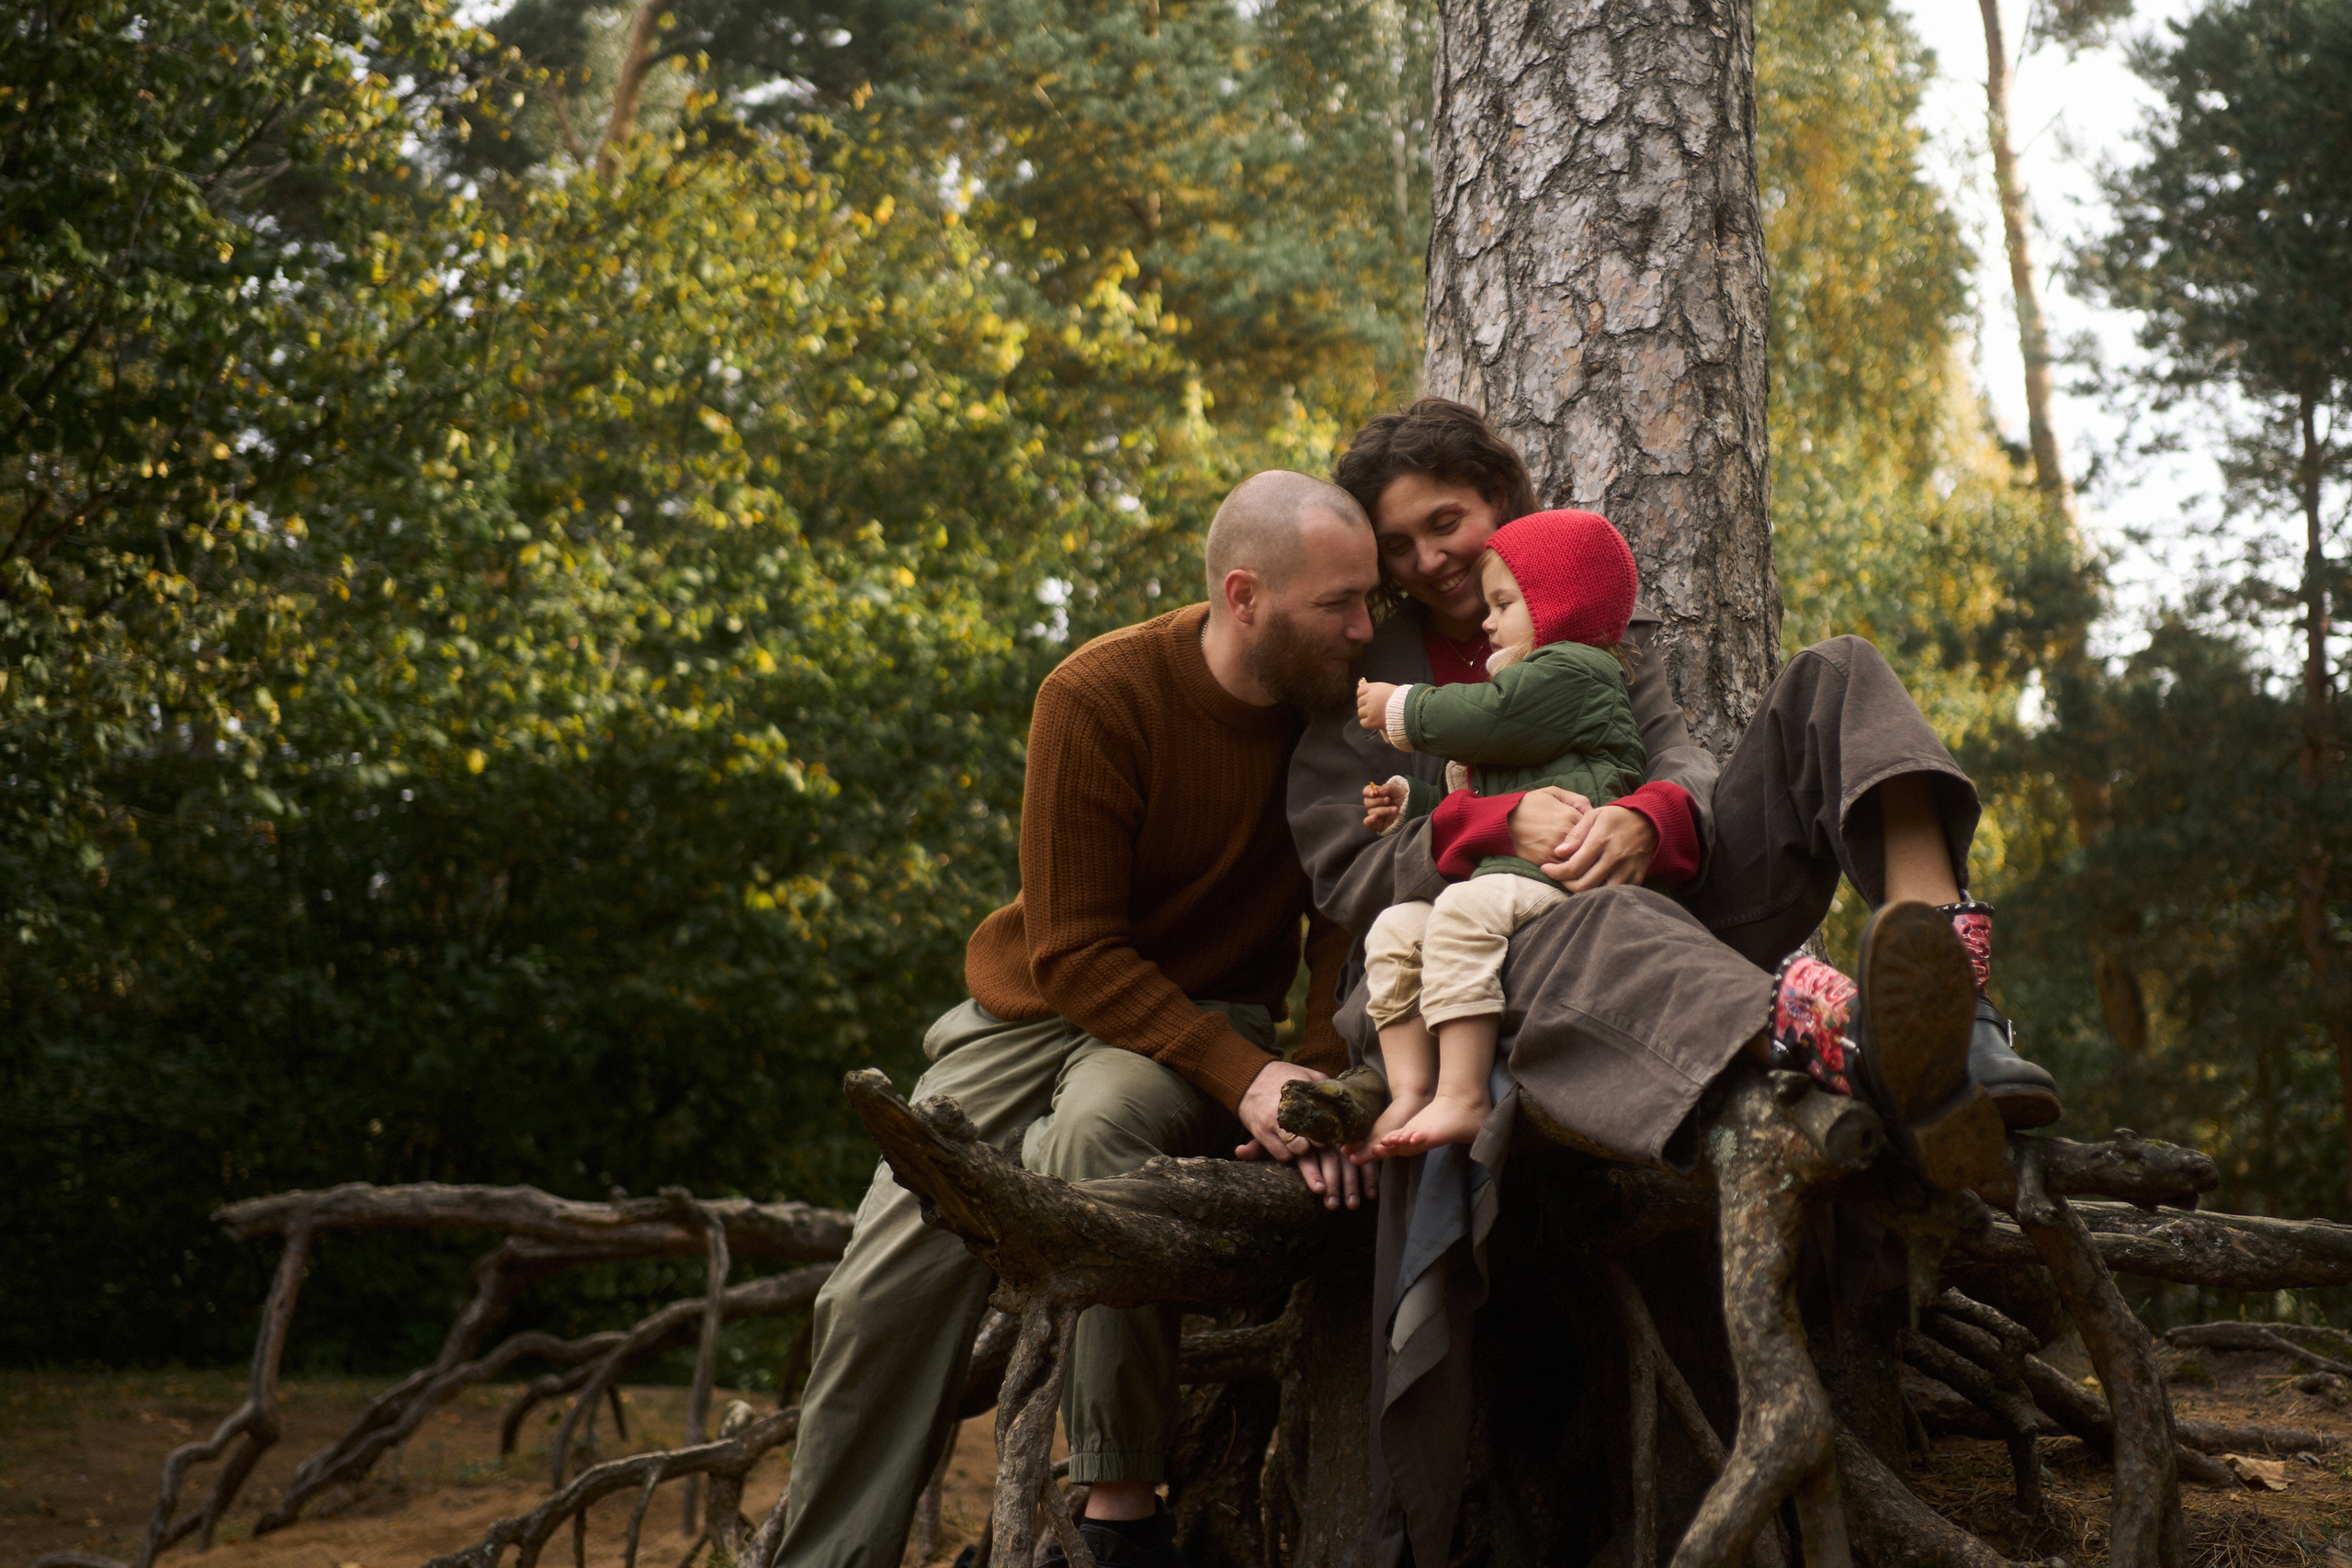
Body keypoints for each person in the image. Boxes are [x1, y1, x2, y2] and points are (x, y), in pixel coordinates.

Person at [1287, 398, 2064, 1566]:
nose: (1426, 560)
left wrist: (1652, 819)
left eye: (1444, 523)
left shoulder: (1579, 631)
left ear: (1501, 504)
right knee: (1588, 927)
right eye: (1396, 547)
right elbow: (1349, 870)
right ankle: (1845, 1041)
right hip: (1470, 962)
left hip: (1657, 901)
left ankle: (1957, 1003)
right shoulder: (1376, 674)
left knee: (1837, 676)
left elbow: (1683, 759)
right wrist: (1498, 822)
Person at [777, 470, 1382, 1568]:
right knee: (874, 1299)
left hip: (1206, 1009)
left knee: (1096, 1137)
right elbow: (1072, 952)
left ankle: (1121, 1513)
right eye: (1337, 604)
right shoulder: (1099, 694)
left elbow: (1346, 924)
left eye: (1369, 599)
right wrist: (1241, 1076)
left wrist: (1320, 1085)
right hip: (1033, 1011)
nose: (1364, 626)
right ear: (1244, 597)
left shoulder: (1351, 717)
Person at [1350, 509, 1650, 1155]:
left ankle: (1463, 1096)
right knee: (1396, 929)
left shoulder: (1573, 670)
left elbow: (1488, 718)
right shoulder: (1534, 686)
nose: (1486, 621)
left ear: (1556, 605)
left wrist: (1398, 706)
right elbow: (1486, 790)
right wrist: (1412, 801)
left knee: (1458, 910)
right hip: (1511, 876)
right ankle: (1409, 1088)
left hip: (1564, 876)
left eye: (1504, 603)